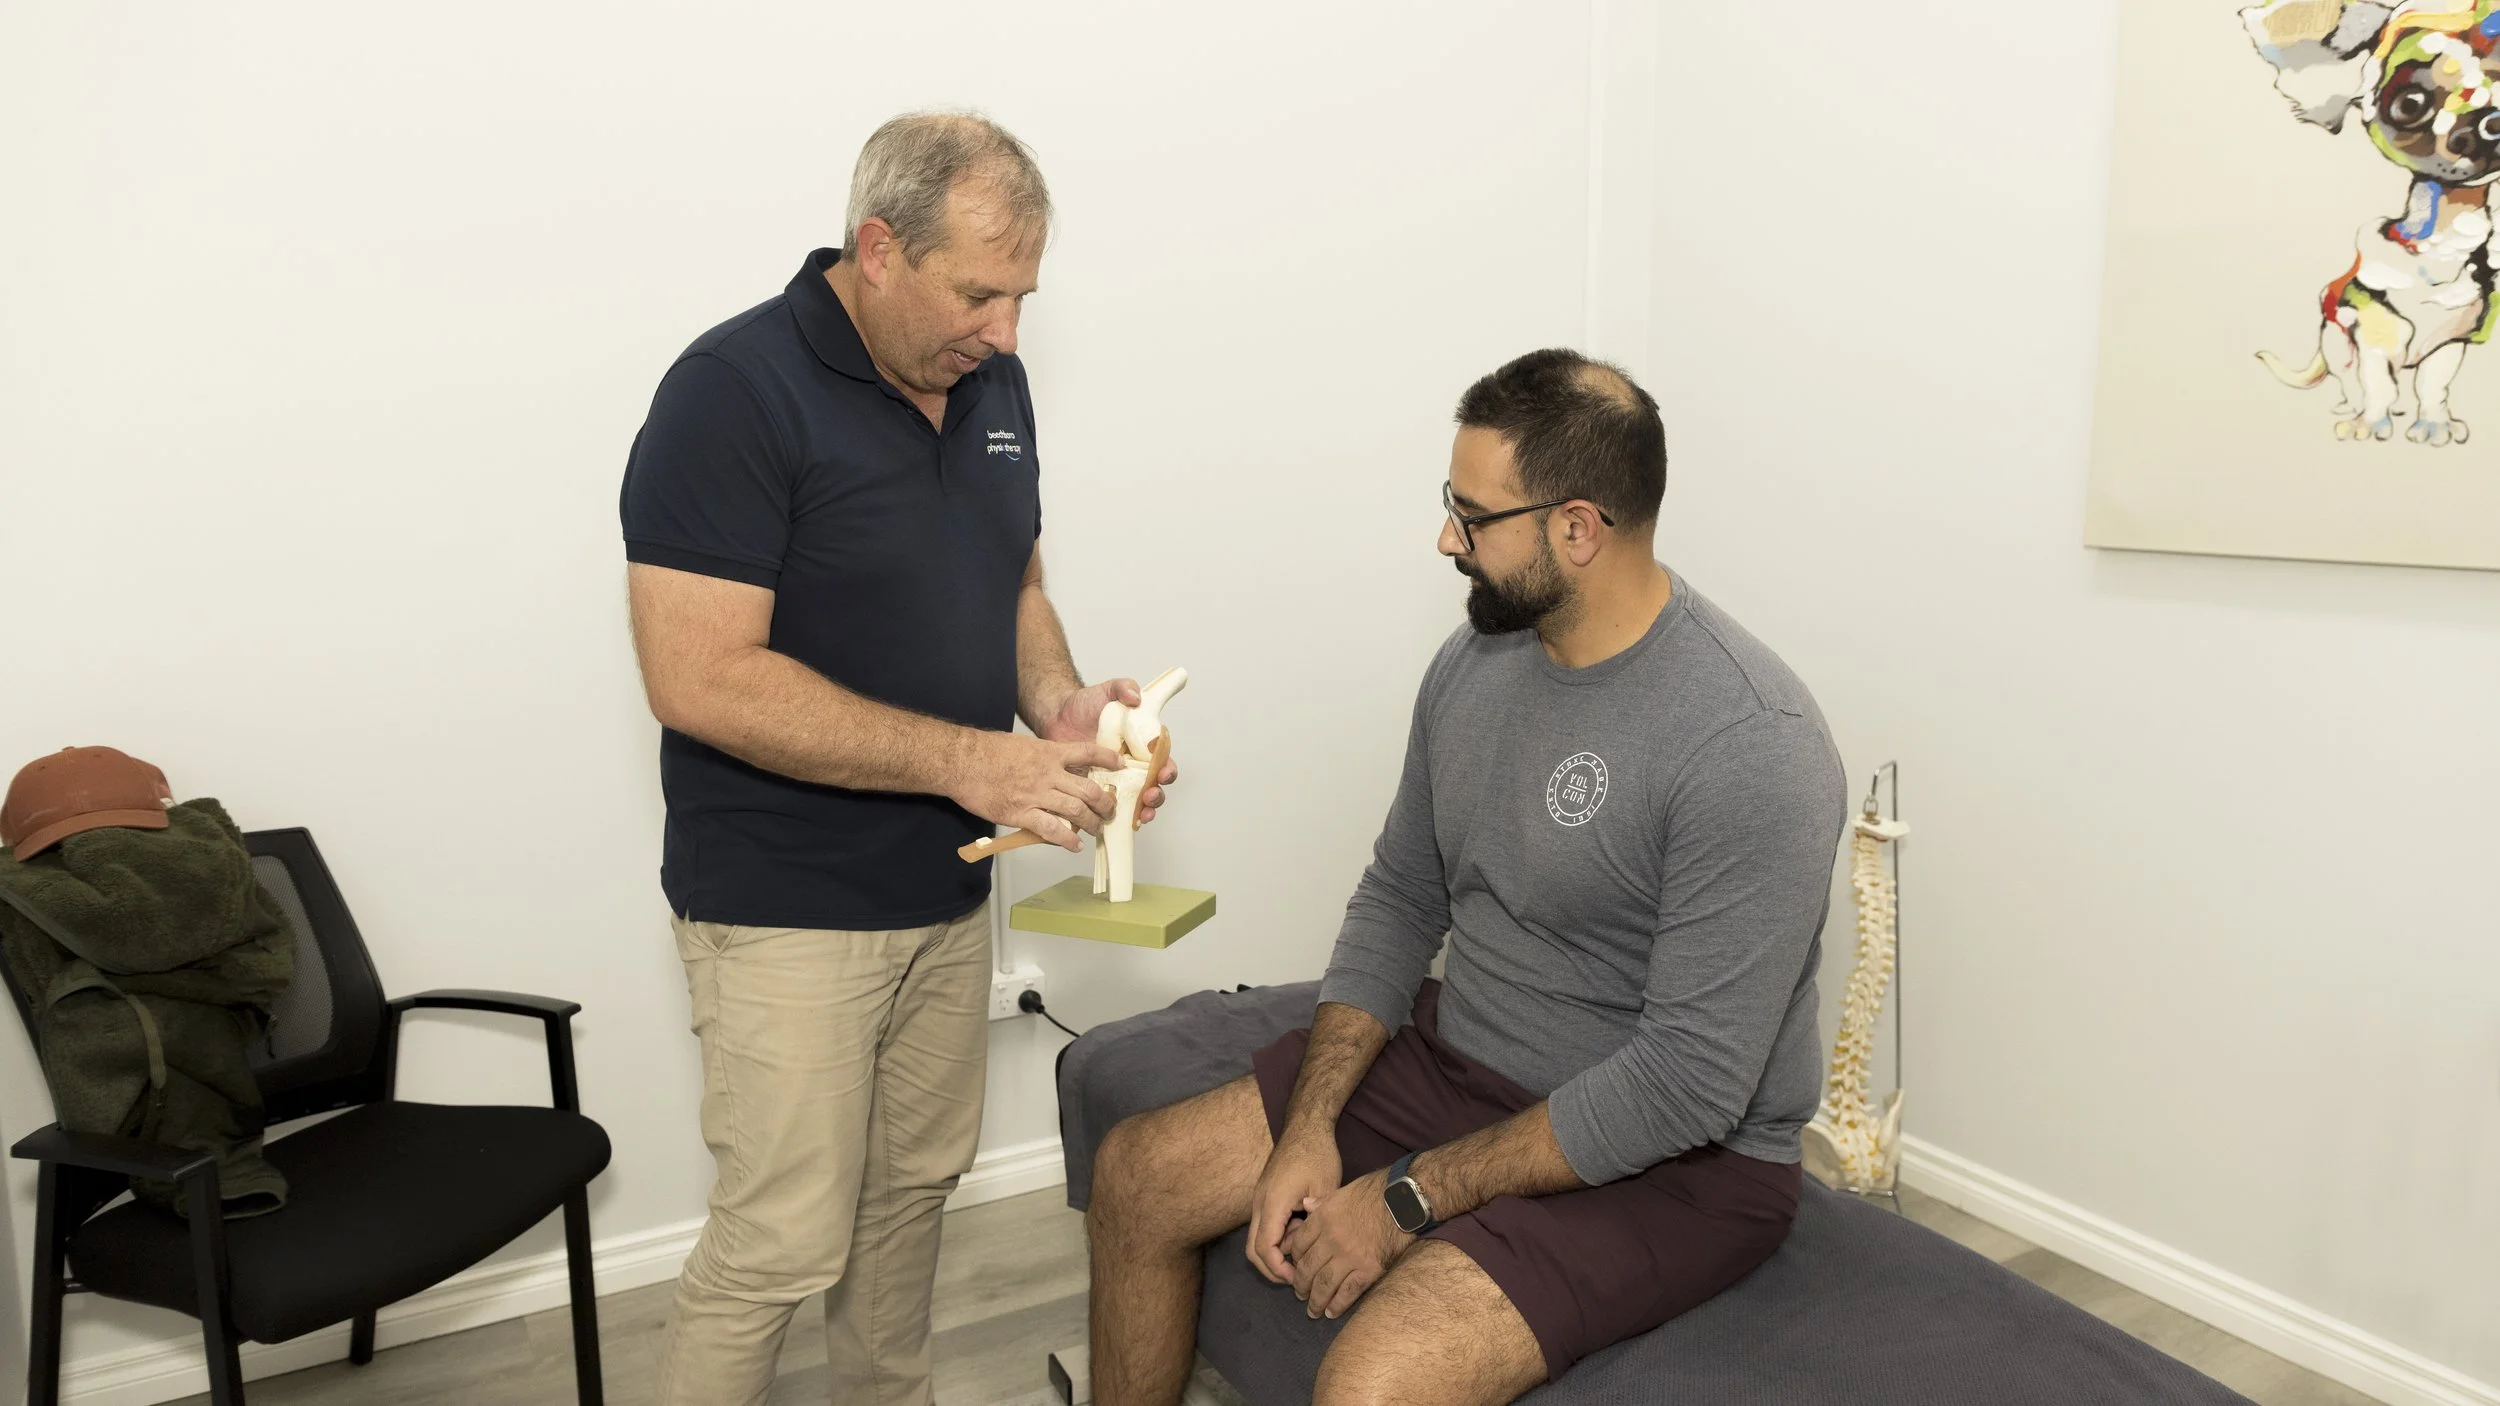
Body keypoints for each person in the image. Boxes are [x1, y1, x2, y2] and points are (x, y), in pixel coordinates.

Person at [1083, 350, 1844, 1406]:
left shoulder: (1751, 743)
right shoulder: (1473, 665)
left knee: (1373, 1386)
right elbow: (1401, 891)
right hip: (1466, 1058)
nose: (1447, 537)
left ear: (1576, 529)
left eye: (1472, 515)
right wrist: (1310, 1125)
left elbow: (1686, 1083)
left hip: (1683, 1161)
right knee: (1138, 1173)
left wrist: (1403, 1196)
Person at [619, 111, 1171, 1406]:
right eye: (981, 293)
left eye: (1024, 297)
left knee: (907, 1199)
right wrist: (967, 761)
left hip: (945, 895)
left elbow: (1012, 578)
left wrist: (1060, 708)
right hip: (782, 906)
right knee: (780, 1241)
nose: (1008, 332)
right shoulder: (730, 395)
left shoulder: (993, 383)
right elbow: (697, 676)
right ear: (878, 248)